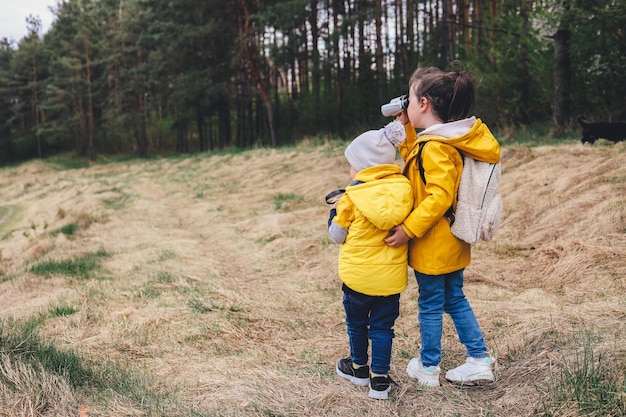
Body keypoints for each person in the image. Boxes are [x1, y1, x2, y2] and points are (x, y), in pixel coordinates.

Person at [384, 63, 499, 387]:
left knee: (431, 303)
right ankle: (478, 358)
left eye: (409, 99)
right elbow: (417, 165)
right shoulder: (441, 141)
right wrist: (405, 130)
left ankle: (429, 366)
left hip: (434, 243)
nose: (405, 104)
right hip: (449, 241)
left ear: (424, 104)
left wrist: (408, 229)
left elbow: (438, 197)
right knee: (453, 298)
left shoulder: (436, 147)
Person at [328, 120, 413, 400]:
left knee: (357, 324)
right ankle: (379, 379)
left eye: (352, 165)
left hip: (357, 278)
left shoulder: (352, 196)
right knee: (383, 327)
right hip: (390, 280)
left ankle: (358, 368)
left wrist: (334, 214)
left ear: (363, 167)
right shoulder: (405, 191)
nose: (350, 170)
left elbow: (337, 235)